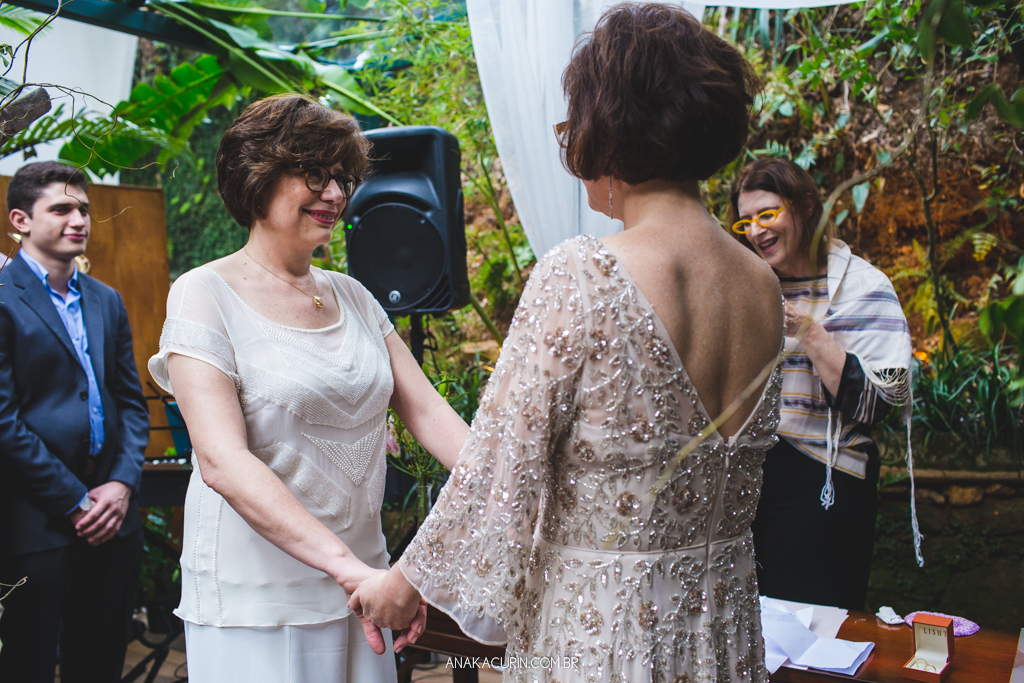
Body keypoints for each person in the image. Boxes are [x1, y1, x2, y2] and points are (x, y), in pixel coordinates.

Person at [350, 5, 784, 682]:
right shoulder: (762, 285)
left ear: (606, 127)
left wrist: (402, 584)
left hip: (606, 637)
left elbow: (501, 465)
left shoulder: (583, 273)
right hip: (722, 633)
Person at [147, 94, 467, 683]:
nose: (336, 194)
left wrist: (511, 481)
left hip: (367, 584)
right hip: (262, 598)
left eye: (343, 177)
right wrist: (355, 574)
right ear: (256, 177)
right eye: (315, 174)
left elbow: (429, 413)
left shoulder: (354, 295)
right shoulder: (204, 292)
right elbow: (221, 461)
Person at [731, 157, 913, 611]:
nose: (756, 231)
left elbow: (876, 405)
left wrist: (811, 332)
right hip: (749, 480)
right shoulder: (750, 287)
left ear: (807, 206)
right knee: (751, 629)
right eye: (746, 222)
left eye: (768, 214)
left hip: (827, 480)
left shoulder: (863, 287)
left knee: (816, 629)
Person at [0, 162, 150, 682]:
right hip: (36, 521)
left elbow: (132, 402)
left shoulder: (106, 299)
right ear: (20, 219)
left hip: (114, 516)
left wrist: (123, 484)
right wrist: (75, 498)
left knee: (102, 661)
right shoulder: (1, 296)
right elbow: (3, 421)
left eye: (83, 208)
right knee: (28, 663)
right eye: (61, 208)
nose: (79, 219)